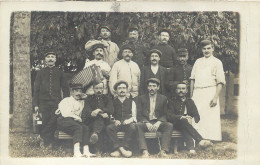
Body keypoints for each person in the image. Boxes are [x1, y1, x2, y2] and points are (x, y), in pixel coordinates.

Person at [190, 40, 226, 141]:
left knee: (209, 116)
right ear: (202, 50)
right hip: (197, 92)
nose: (206, 51)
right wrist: (191, 95)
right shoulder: (198, 61)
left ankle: (209, 139)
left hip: (210, 91)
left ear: (213, 48)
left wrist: (215, 97)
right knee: (197, 115)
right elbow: (192, 79)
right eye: (204, 49)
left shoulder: (217, 62)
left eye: (208, 48)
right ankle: (196, 138)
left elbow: (220, 82)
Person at [33, 51, 69, 148]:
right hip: (43, 102)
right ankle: (47, 141)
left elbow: (66, 89)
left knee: (54, 120)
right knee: (44, 121)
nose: (50, 59)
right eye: (48, 57)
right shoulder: (40, 73)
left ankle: (44, 138)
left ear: (55, 59)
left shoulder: (60, 72)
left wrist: (65, 103)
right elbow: (36, 90)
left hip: (56, 102)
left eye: (52, 57)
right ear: (45, 59)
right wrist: (36, 104)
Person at [167, 82, 213, 155]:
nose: (181, 90)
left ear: (186, 91)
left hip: (187, 124)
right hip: (176, 123)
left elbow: (197, 115)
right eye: (179, 88)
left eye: (183, 88)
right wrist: (181, 117)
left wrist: (192, 119)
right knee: (184, 122)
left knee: (185, 125)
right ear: (176, 90)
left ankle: (191, 149)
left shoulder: (190, 101)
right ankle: (199, 140)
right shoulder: (172, 101)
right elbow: (170, 115)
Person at [135, 78, 173, 158]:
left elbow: (165, 114)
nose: (151, 88)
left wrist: (159, 122)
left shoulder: (163, 98)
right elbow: (139, 115)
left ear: (158, 87)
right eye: (149, 86)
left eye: (154, 86)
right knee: (138, 125)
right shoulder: (141, 98)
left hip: (158, 122)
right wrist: (146, 123)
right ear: (147, 87)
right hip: (146, 123)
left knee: (169, 125)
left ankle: (163, 151)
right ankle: (144, 151)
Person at [56, 83, 95, 157]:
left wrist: (85, 98)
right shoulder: (66, 100)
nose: (78, 93)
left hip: (74, 122)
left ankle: (86, 151)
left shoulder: (81, 102)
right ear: (72, 92)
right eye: (76, 91)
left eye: (80, 91)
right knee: (78, 127)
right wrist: (77, 118)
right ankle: (76, 152)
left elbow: (86, 109)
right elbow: (65, 113)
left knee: (86, 128)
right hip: (64, 120)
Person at [106, 80, 137, 158]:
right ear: (116, 91)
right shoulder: (112, 102)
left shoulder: (132, 102)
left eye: (124, 88)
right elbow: (110, 115)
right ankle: (118, 149)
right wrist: (114, 121)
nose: (122, 90)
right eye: (119, 88)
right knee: (109, 128)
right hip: (117, 124)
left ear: (127, 90)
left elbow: (134, 116)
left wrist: (129, 120)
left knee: (132, 127)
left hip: (127, 124)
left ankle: (126, 147)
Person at [81, 82, 114, 154]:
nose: (99, 90)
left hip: (104, 121)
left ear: (103, 89)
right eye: (96, 88)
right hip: (91, 121)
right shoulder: (89, 98)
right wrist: (92, 113)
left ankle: (95, 134)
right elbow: (86, 110)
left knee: (100, 121)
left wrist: (99, 110)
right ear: (93, 89)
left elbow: (111, 109)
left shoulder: (107, 98)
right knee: (99, 122)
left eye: (100, 88)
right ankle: (98, 151)